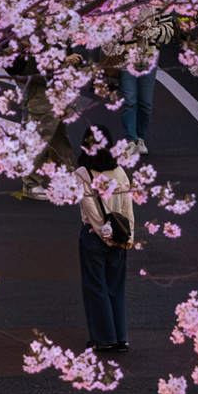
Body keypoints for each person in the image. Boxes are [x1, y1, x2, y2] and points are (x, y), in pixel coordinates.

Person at [77, 142, 135, 354]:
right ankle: (121, 337)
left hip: (94, 237)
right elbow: (128, 206)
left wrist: (104, 234)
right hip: (120, 235)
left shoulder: (82, 174)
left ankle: (104, 338)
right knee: (116, 287)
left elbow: (91, 211)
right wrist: (129, 237)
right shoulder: (120, 171)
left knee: (96, 287)